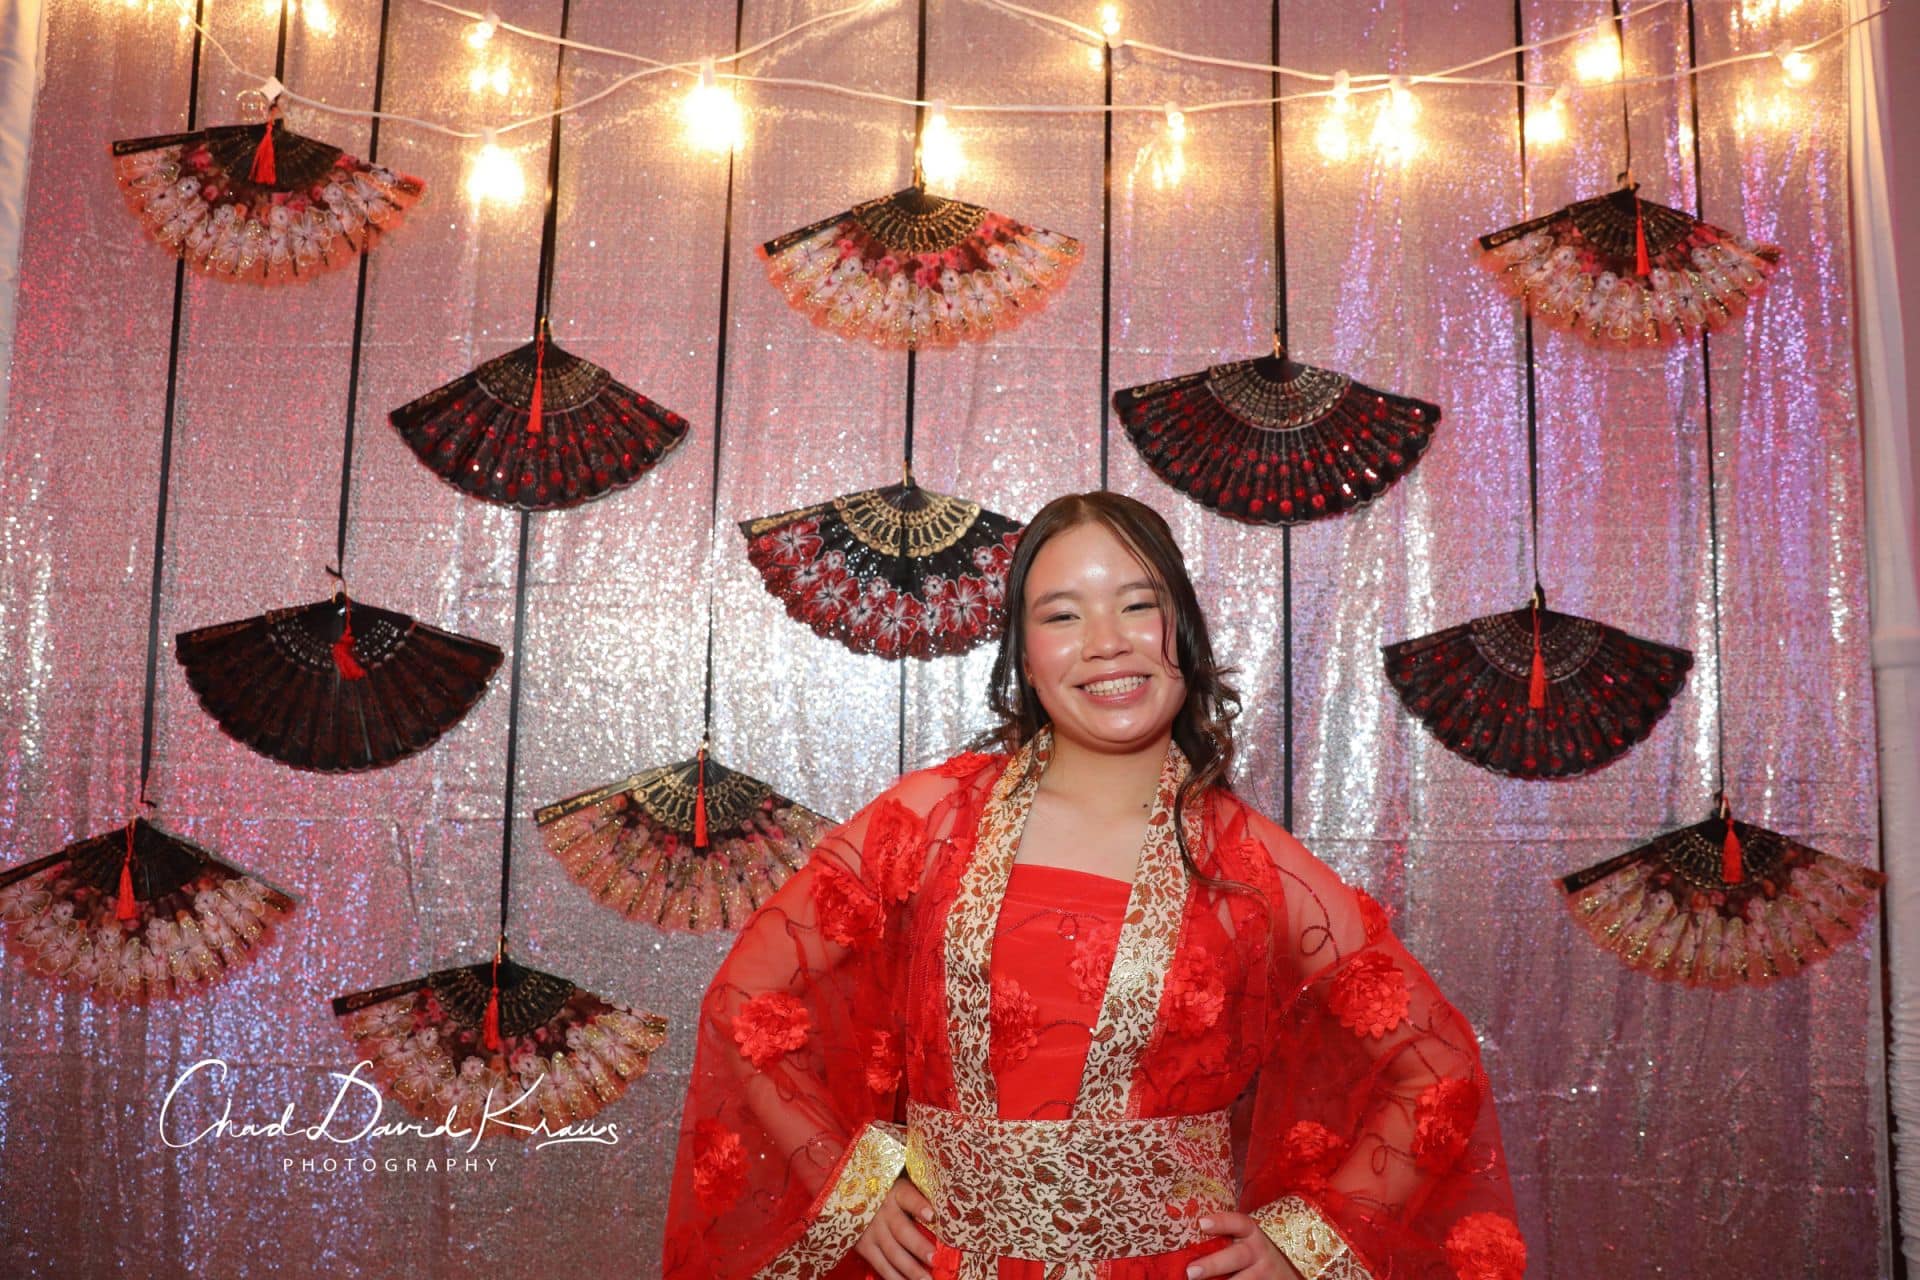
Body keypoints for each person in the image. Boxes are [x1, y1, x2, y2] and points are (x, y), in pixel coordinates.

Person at [660, 492, 1524, 1280]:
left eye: (1138, 605)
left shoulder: (1257, 868)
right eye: (1063, 615)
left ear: (1185, 633)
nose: (1107, 640)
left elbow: (1437, 1067)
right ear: (1026, 659)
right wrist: (849, 1187)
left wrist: (1303, 1246)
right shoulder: (927, 824)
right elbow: (745, 1002)